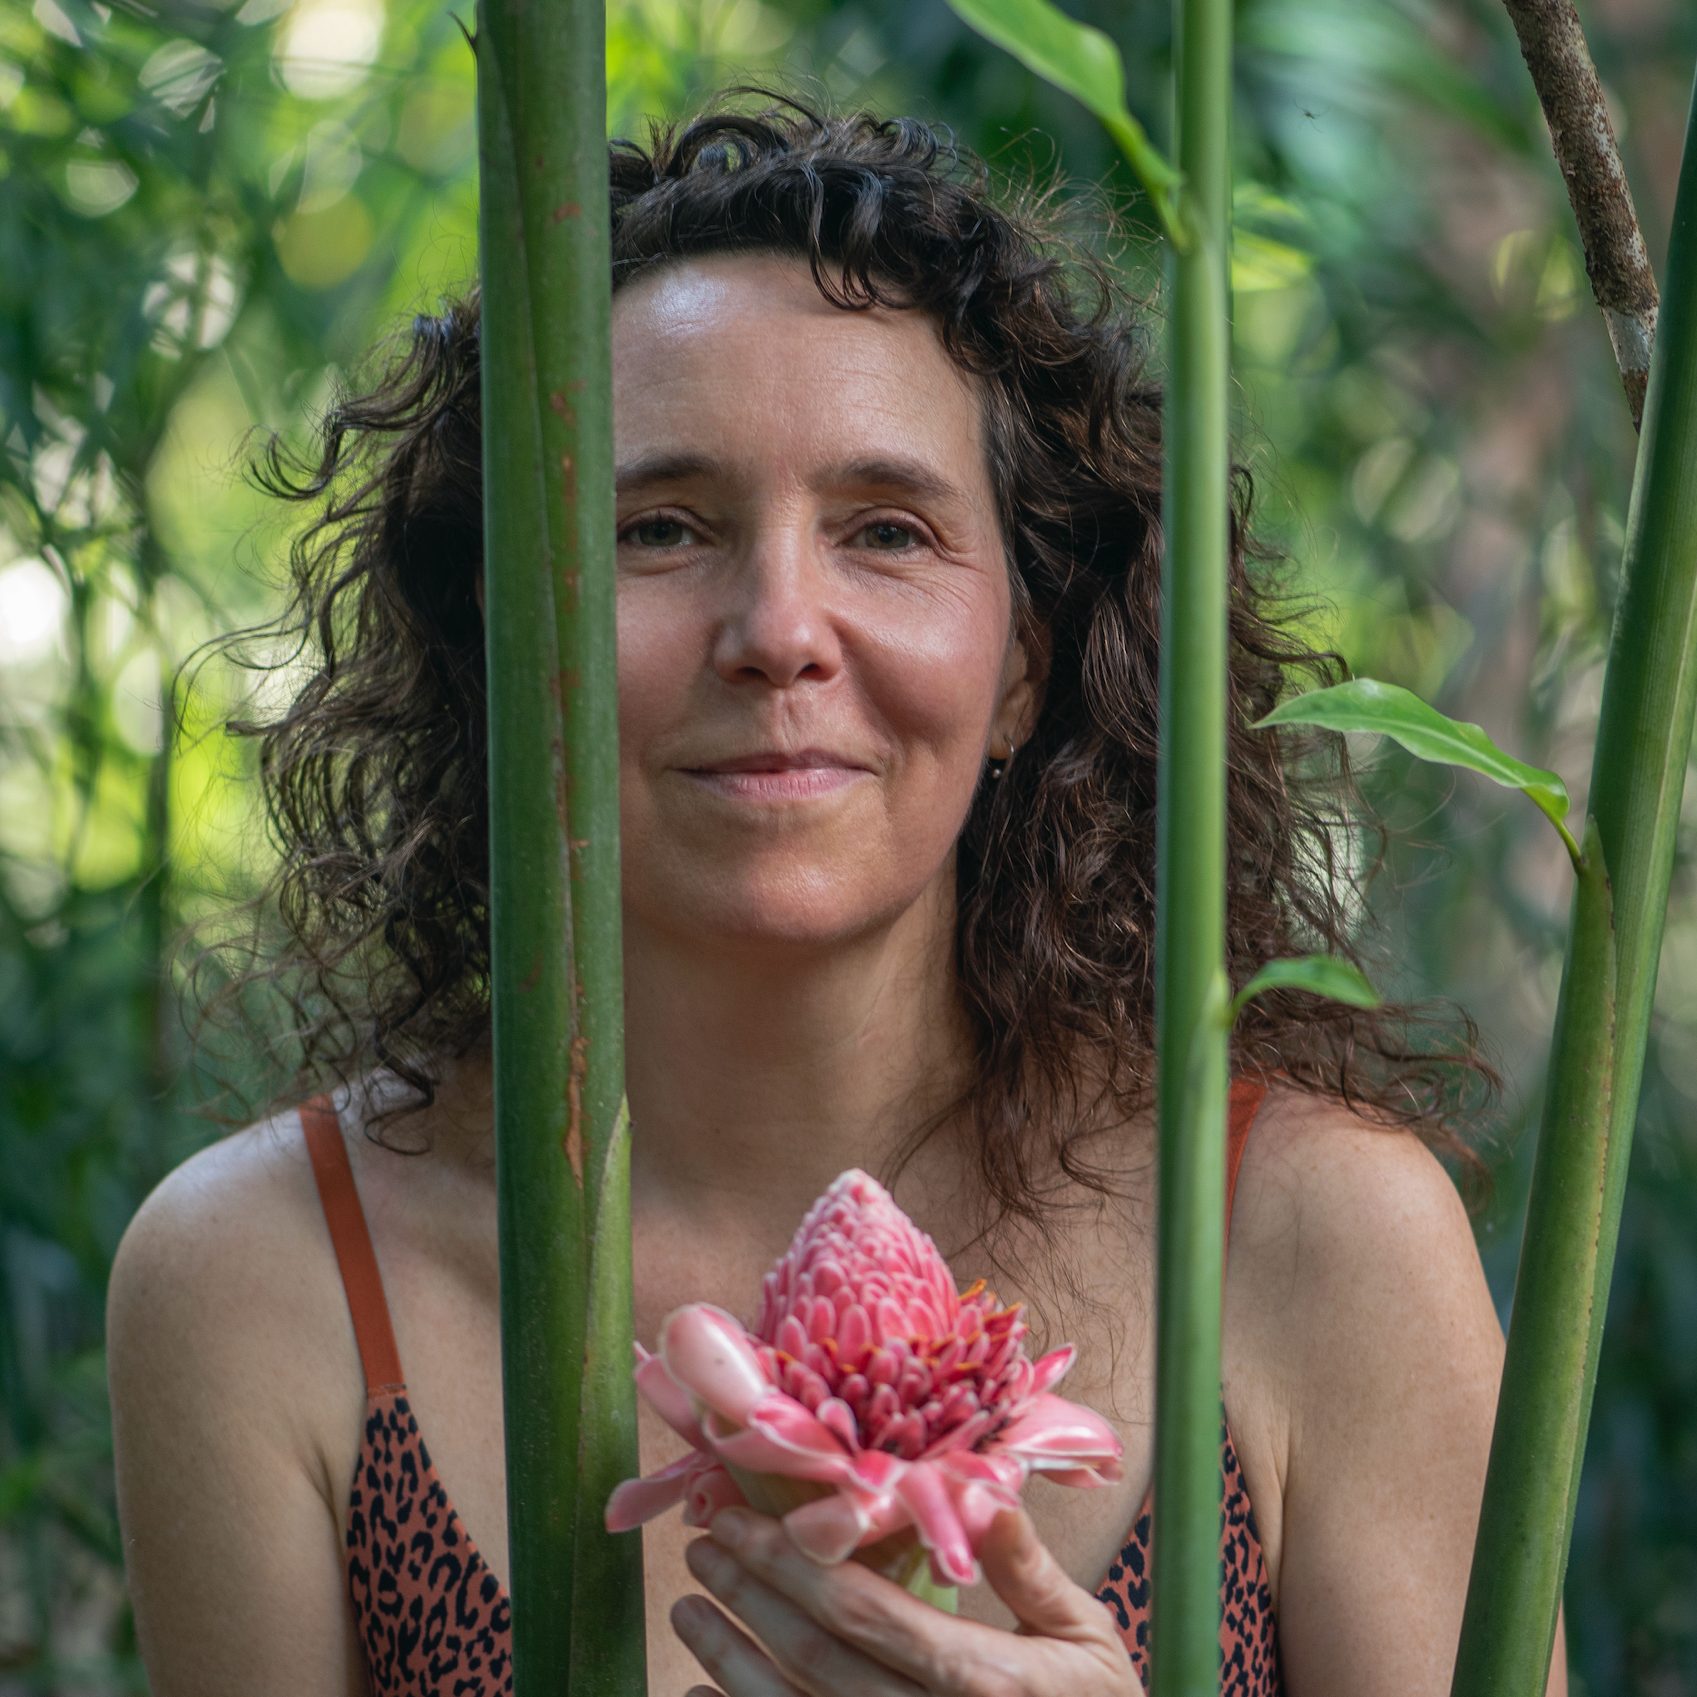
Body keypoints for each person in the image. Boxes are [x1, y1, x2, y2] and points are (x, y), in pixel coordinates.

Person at [104, 90, 1566, 1697]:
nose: (778, 628)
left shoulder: (1308, 1233)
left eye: (885, 529)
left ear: (1021, 666)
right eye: (658, 528)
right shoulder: (273, 1275)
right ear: (501, 651)